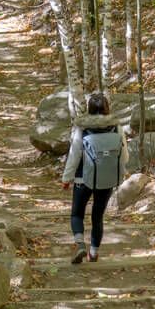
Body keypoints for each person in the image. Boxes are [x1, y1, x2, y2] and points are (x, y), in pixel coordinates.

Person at [62, 91, 129, 264]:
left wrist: (66, 177)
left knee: (77, 214)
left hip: (82, 178)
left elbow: (74, 154)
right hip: (106, 178)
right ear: (107, 109)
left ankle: (80, 245)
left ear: (89, 109)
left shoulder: (82, 128)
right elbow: (124, 156)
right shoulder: (116, 128)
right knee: (97, 217)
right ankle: (93, 253)